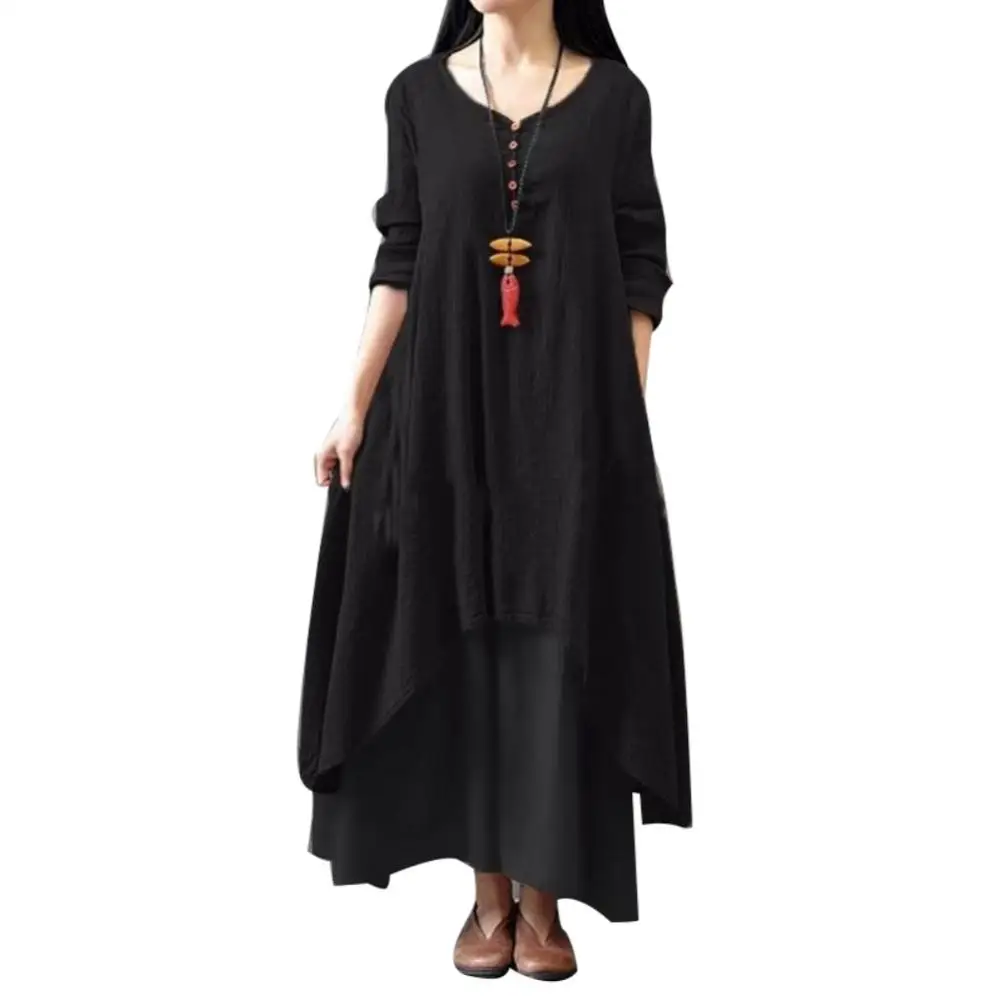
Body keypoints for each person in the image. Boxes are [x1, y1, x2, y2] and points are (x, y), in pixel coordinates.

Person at [298, 0, 692, 981]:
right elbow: (400, 257)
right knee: (462, 629)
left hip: (571, 417)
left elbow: (640, 265)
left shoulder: (619, 101)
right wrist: (353, 405)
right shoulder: (415, 97)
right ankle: (486, 894)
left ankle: (543, 895)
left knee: (554, 641)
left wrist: (618, 411)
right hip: (443, 407)